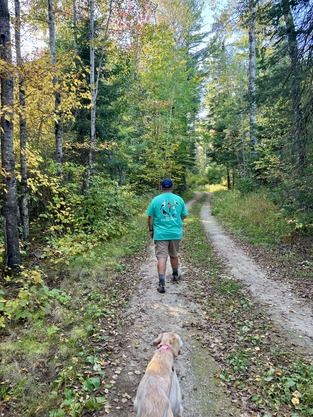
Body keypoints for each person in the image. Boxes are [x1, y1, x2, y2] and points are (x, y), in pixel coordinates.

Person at [147, 178, 188, 293]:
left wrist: (151, 230)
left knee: (161, 257)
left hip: (160, 233)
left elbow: (150, 217)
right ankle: (175, 275)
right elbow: (184, 215)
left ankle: (162, 283)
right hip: (175, 233)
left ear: (161, 187)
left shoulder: (155, 200)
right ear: (171, 187)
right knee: (174, 254)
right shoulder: (179, 199)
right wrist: (176, 220)